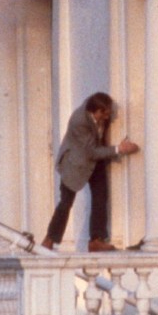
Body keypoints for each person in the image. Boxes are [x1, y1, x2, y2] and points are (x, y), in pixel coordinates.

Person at [42, 92, 139, 252]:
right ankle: (49, 240)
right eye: (106, 114)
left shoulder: (95, 107)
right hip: (75, 164)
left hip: (94, 161)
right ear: (97, 111)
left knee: (100, 196)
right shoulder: (79, 121)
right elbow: (91, 152)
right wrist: (119, 149)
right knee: (66, 203)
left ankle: (96, 240)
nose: (109, 117)